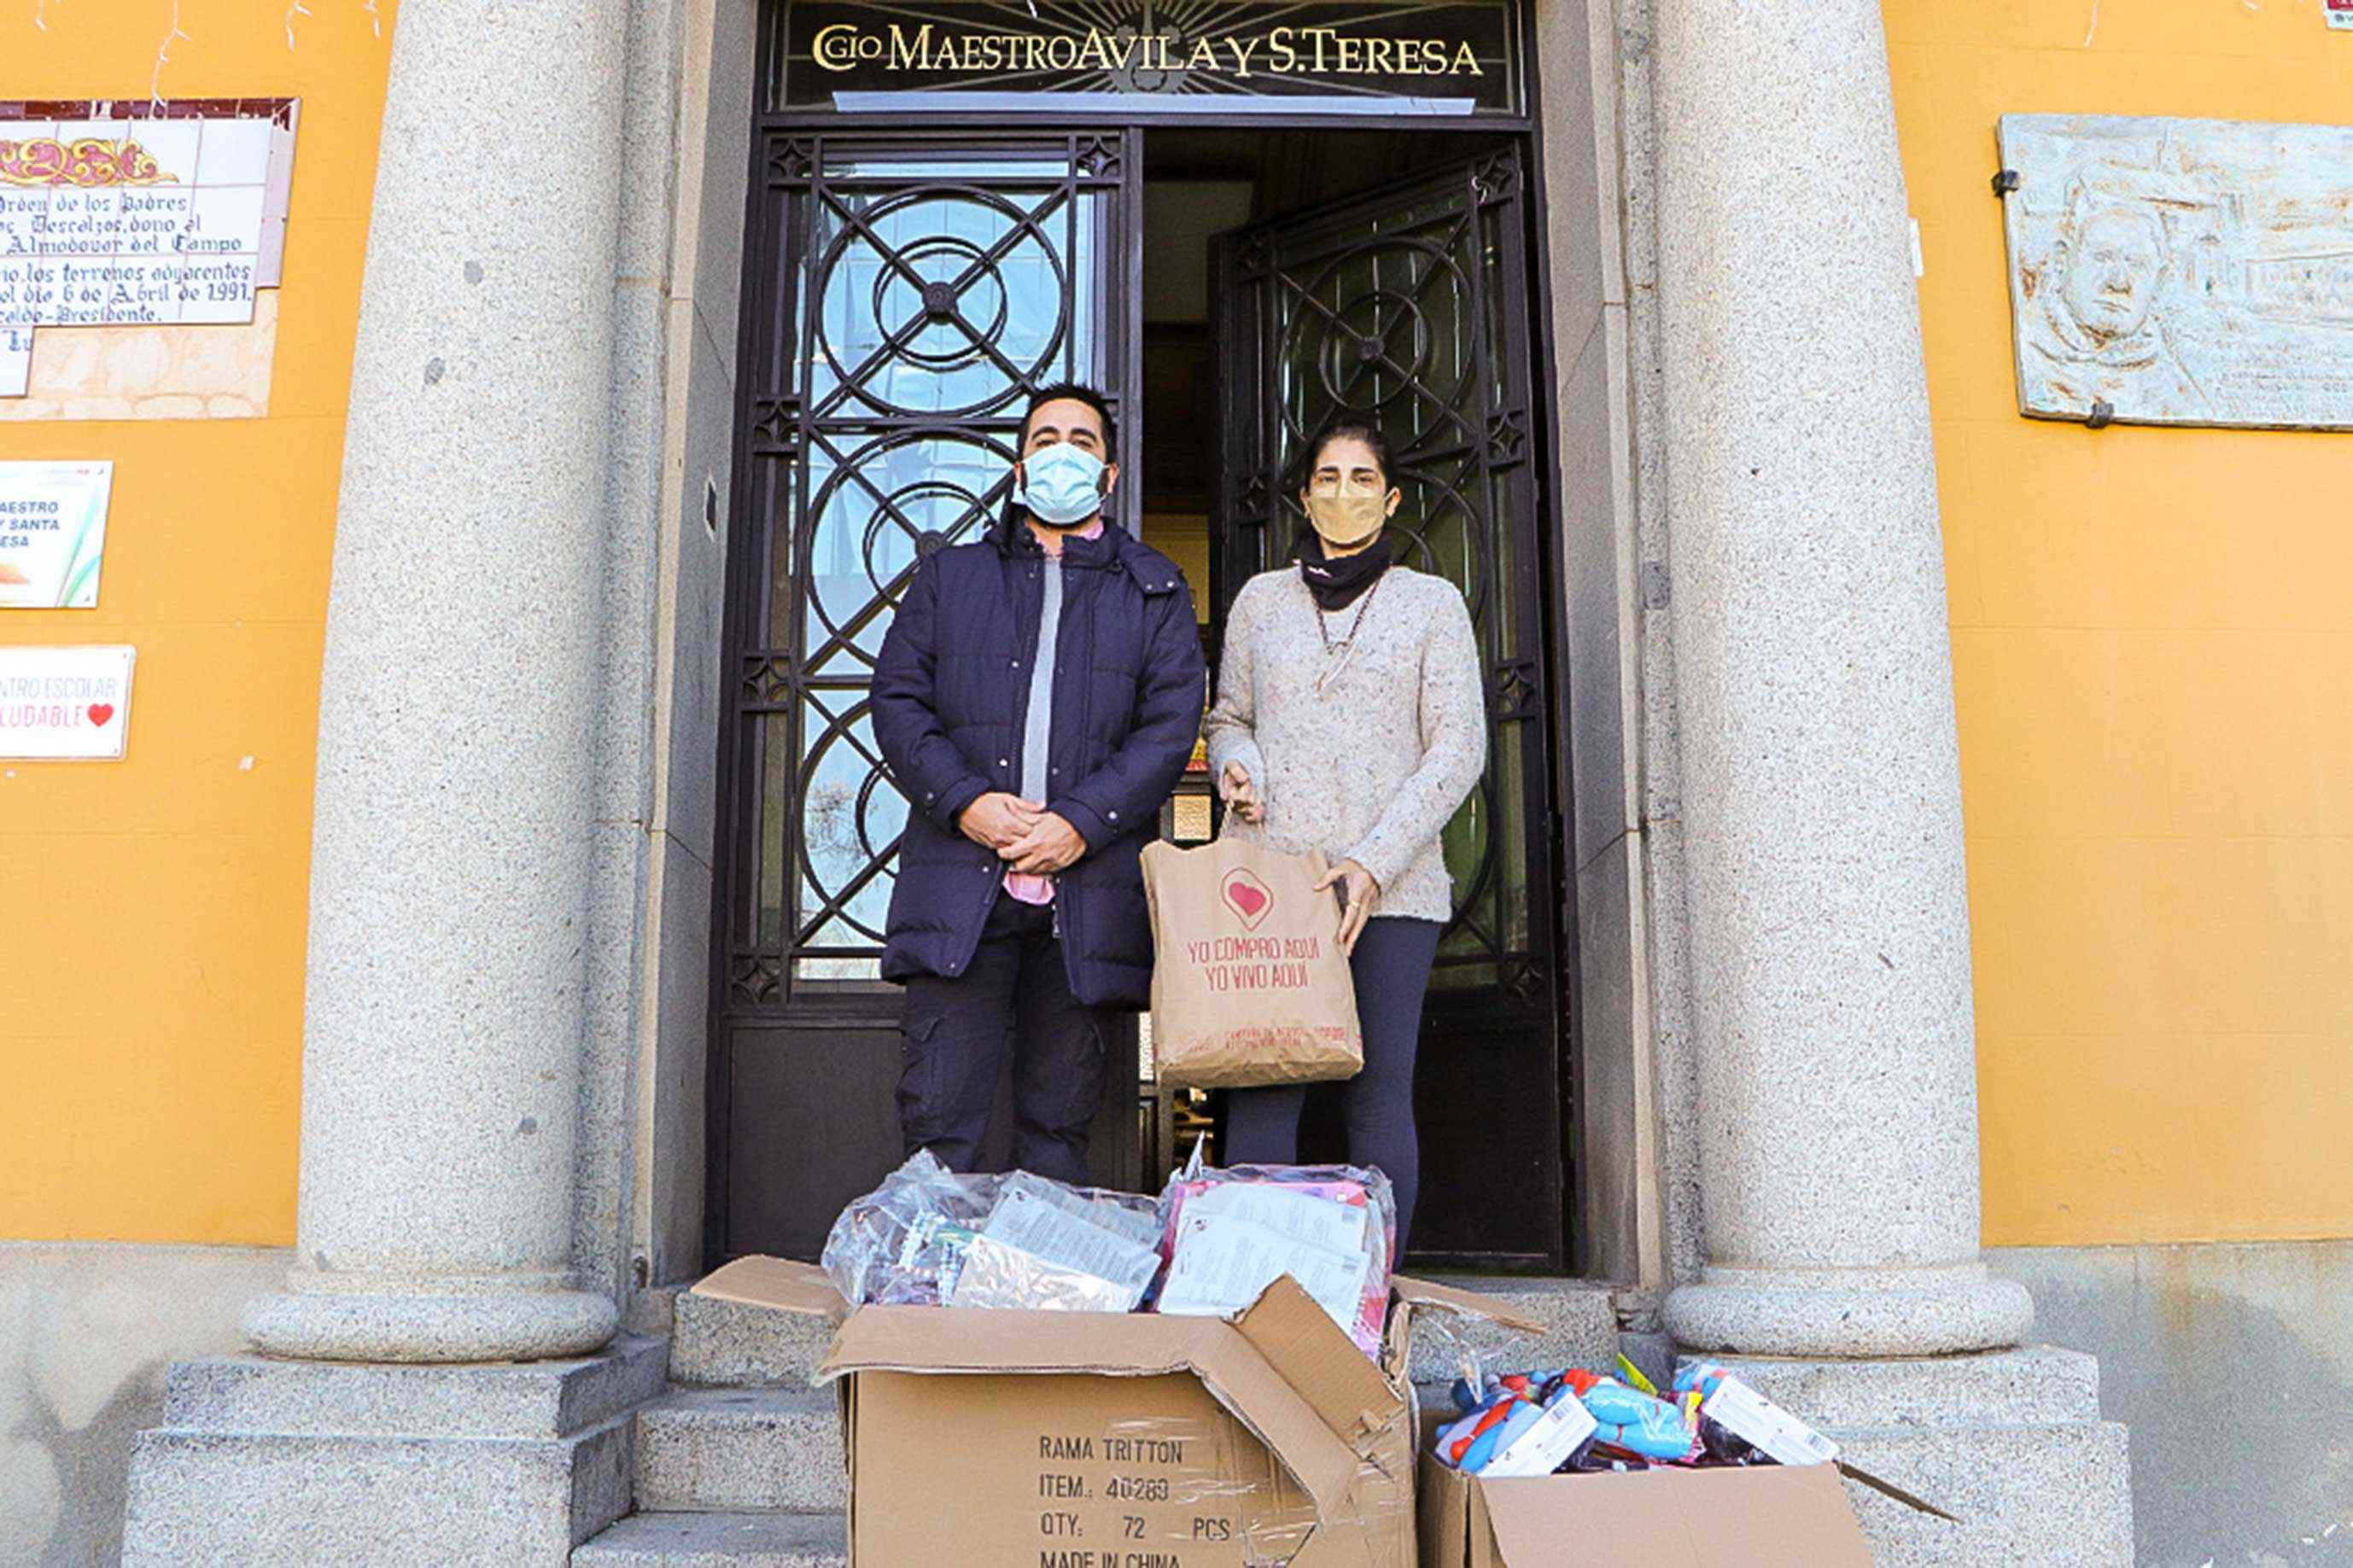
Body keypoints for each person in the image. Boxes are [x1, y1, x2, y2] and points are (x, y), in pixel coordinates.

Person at [872, 382, 1205, 1186]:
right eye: (1045, 437)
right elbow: (898, 701)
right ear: (1021, 465)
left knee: (1059, 1132)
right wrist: (968, 804)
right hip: (961, 891)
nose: (1063, 451)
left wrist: (1082, 823)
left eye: (1082, 441)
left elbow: (1169, 728)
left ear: (1110, 472)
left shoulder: (1154, 588)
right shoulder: (952, 577)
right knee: (939, 1124)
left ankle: (1039, 1306)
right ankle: (924, 1304)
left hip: (1087, 902)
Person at [1204, 421, 1486, 1254]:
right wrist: (1237, 763)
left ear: (1391, 498)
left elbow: (1457, 746)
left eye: (1362, 478)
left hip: (1390, 893)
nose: (1342, 492)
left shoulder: (1432, 605)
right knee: (1263, 1091)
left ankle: (1366, 1296)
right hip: (1272, 885)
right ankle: (1253, 1295)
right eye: (1326, 477)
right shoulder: (1260, 602)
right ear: (1303, 496)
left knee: (1376, 1092)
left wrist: (1371, 859)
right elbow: (1228, 718)